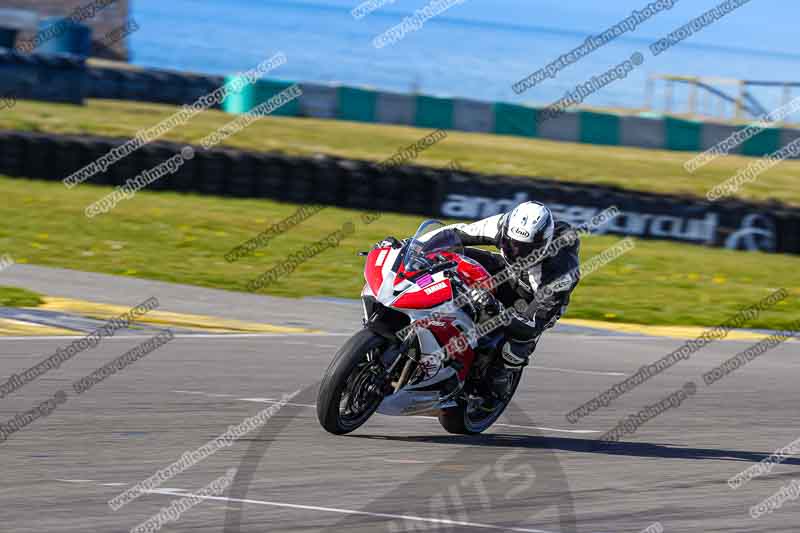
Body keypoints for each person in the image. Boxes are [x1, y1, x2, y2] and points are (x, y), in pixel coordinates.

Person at [426, 201, 581, 371]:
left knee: (512, 351)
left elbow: (533, 324)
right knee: (448, 255)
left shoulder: (559, 271)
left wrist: (496, 310)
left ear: (543, 243)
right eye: (511, 243)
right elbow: (454, 233)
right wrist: (411, 246)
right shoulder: (500, 225)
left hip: (535, 300)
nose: (515, 252)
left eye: (525, 248)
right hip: (508, 271)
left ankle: (495, 382)